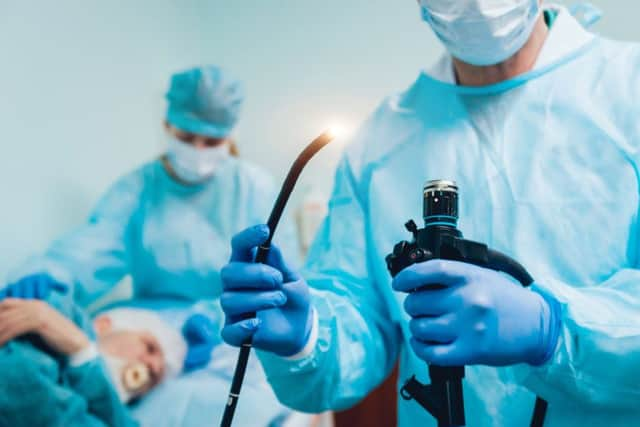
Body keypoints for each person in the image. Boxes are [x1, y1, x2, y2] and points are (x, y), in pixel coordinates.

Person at [219, 2, 640, 427]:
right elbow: (359, 319)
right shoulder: (382, 139)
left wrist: (555, 329)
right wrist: (306, 337)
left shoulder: (629, 88)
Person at [5, 65, 297, 368]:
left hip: (233, 326)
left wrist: (214, 317)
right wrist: (51, 274)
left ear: (229, 137)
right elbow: (93, 245)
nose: (198, 150)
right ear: (167, 126)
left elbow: (274, 277)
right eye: (187, 137)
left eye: (211, 142)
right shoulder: (136, 190)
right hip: (147, 319)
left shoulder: (253, 189)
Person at [0, 289, 139, 427]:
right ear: (103, 325)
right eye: (150, 348)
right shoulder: (63, 309)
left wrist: (83, 352)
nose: (154, 366)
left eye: (154, 381)